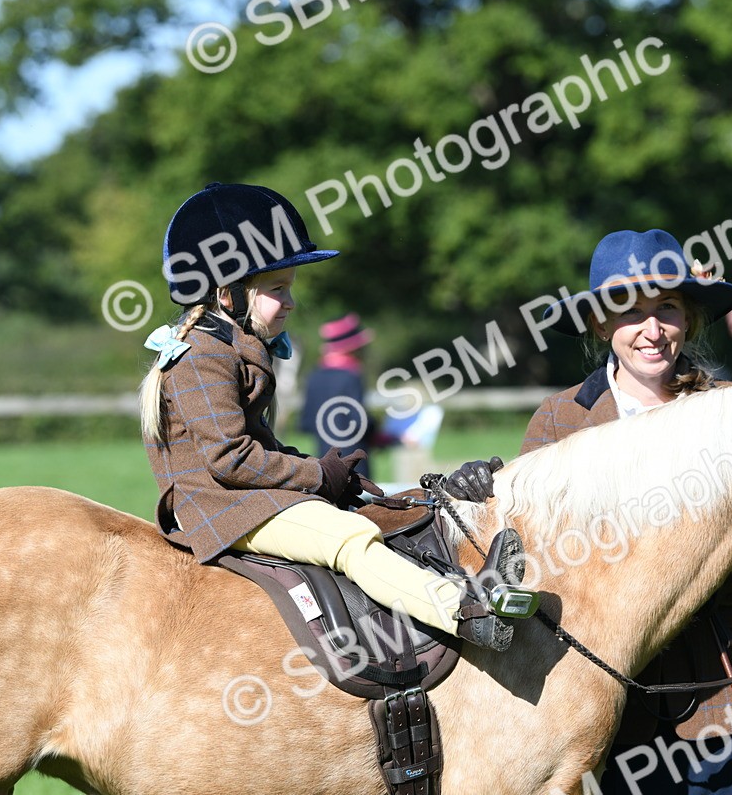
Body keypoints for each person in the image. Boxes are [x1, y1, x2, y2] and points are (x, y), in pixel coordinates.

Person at [447, 230, 732, 793]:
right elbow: (531, 565)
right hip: (609, 707)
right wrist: (477, 500)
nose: (652, 329)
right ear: (601, 324)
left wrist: (701, 576)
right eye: (629, 311)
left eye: (667, 307)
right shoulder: (559, 421)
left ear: (689, 318)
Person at [139, 181, 534, 652]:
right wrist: (314, 475)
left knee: (385, 509)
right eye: (277, 289)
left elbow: (259, 444)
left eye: (290, 289)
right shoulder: (202, 357)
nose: (291, 302)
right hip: (221, 510)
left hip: (240, 500)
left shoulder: (227, 347)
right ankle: (467, 612)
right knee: (350, 536)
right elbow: (229, 458)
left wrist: (329, 477)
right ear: (229, 295)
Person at [299, 313, 376, 476]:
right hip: (355, 462)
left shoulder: (313, 377)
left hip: (324, 462)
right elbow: (359, 421)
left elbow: (306, 423)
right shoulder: (351, 376)